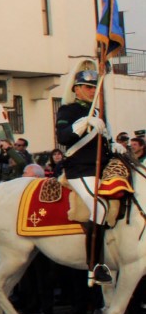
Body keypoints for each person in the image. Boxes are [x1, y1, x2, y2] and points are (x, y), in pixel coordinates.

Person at [54, 62, 124, 284]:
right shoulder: (68, 110)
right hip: (80, 169)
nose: (93, 91)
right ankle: (94, 266)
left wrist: (115, 147)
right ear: (76, 88)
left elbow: (105, 142)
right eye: (87, 87)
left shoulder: (98, 112)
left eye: (95, 88)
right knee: (100, 207)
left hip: (101, 168)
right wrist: (83, 124)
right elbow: (64, 138)